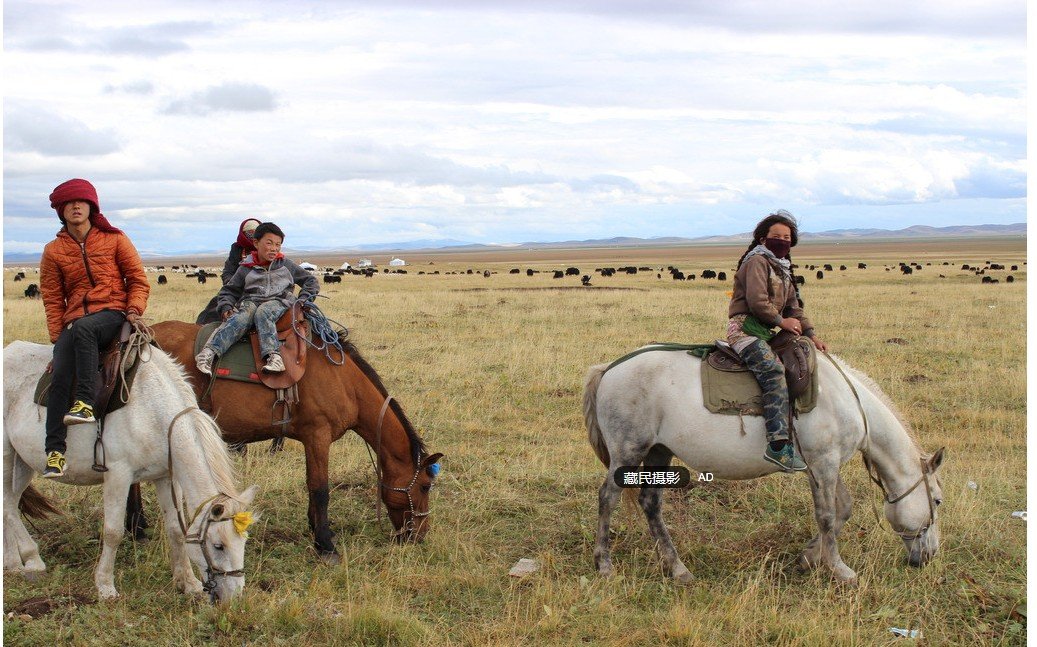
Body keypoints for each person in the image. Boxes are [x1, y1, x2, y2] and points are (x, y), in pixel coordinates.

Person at [39, 178, 150, 478]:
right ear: (61, 211)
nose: (75, 206)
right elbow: (52, 297)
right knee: (60, 373)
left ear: (91, 206)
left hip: (112, 313)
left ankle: (85, 403)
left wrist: (133, 310)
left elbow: (137, 280)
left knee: (85, 329)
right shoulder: (53, 251)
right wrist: (57, 337)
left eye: (81, 201)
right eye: (69, 203)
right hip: (74, 322)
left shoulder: (115, 239)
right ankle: (55, 452)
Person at [726, 210, 827, 472]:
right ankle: (778, 446)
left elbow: (794, 308)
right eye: (776, 236)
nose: (782, 240)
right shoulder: (757, 262)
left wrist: (812, 334)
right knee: (773, 370)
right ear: (763, 239)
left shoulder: (783, 270)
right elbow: (758, 302)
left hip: (766, 332)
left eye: (787, 237)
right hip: (744, 331)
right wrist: (781, 322)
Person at [194, 222, 319, 375]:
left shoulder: (285, 265)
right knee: (240, 317)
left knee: (263, 312)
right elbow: (230, 290)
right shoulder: (246, 267)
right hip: (252, 300)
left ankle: (274, 356)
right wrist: (226, 306)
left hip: (280, 300)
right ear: (256, 243)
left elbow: (310, 281)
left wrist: (304, 299)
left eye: (278, 245)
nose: (274, 248)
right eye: (269, 243)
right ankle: (209, 353)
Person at [196, 218, 262, 325]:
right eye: (250, 232)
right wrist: (234, 284)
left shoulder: (265, 249)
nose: (253, 235)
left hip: (260, 292)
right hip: (236, 290)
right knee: (213, 308)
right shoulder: (236, 250)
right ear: (243, 233)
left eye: (256, 232)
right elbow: (228, 272)